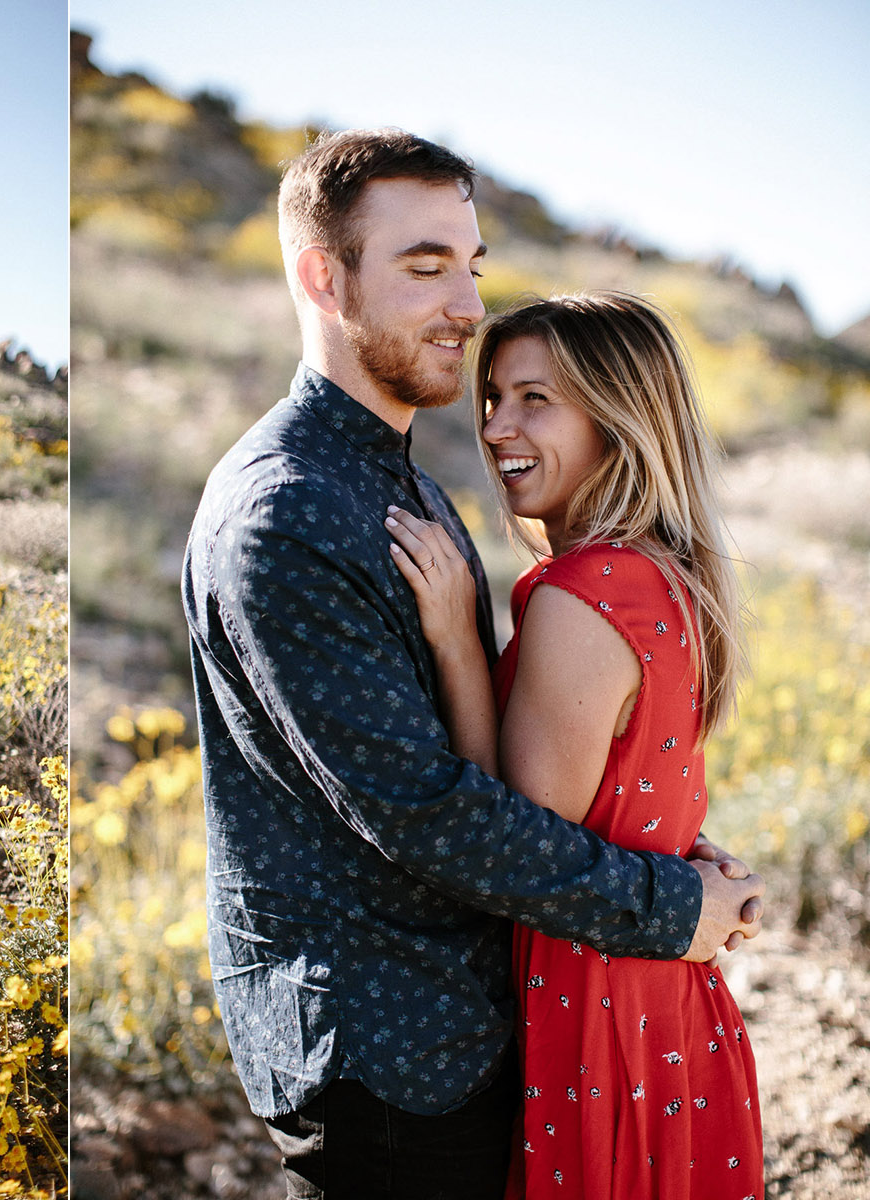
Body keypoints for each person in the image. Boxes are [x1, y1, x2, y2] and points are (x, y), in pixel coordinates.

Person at [180, 129, 765, 1199]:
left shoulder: (401, 486)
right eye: (422, 266)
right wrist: (671, 901)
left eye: (470, 265)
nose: (463, 303)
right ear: (323, 276)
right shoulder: (289, 512)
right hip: (388, 1056)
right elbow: (428, 810)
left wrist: (662, 845)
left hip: (478, 1030)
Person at [384, 291, 761, 1197]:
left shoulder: (583, 592)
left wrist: (454, 645)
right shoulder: (664, 577)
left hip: (597, 1007)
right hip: (669, 1005)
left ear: (621, 420)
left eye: (534, 399)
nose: (496, 427)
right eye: (492, 399)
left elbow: (515, 834)